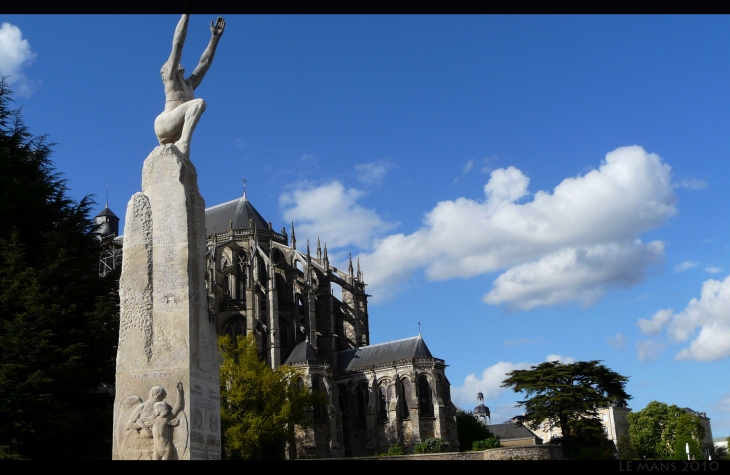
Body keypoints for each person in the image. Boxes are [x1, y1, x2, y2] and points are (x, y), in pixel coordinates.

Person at [153, 13, 225, 157]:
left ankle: (182, 143)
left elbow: (204, 64)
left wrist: (215, 38)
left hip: (175, 127)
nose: (176, 62)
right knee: (198, 103)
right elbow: (177, 45)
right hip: (164, 123)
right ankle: (184, 143)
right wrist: (185, 15)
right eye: (173, 62)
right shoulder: (170, 77)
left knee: (196, 103)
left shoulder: (189, 84)